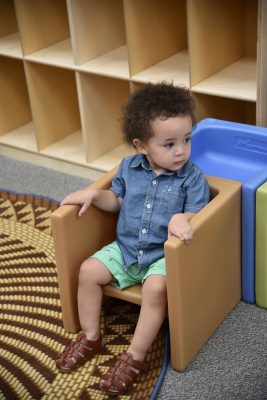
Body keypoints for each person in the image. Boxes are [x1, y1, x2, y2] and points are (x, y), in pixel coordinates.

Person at [55, 82, 210, 395]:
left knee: (156, 288)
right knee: (88, 271)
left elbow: (201, 214)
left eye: (187, 139)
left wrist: (183, 218)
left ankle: (134, 356)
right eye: (169, 144)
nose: (181, 150)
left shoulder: (192, 177)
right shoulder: (129, 167)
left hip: (163, 258)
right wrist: (96, 194)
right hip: (126, 250)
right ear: (142, 146)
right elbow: (118, 202)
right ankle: (91, 336)